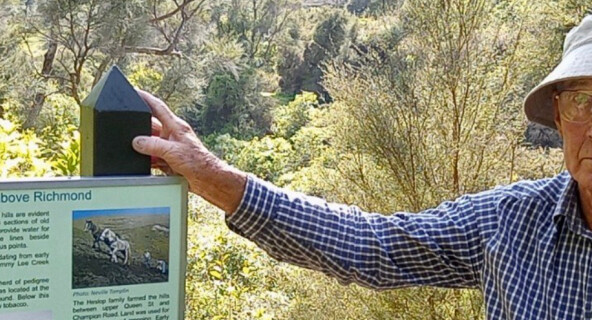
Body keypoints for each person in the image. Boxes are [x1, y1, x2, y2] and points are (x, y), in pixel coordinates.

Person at [131, 15, 592, 319]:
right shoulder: (512, 222)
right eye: (582, 102)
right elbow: (372, 244)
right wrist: (215, 178)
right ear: (556, 115)